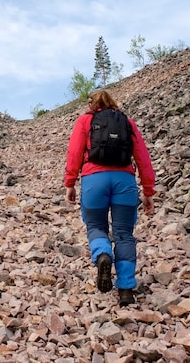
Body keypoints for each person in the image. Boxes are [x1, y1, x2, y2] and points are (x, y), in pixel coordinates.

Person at [64, 89, 156, 306]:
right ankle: (125, 289)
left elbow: (74, 153)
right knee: (124, 233)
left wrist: (70, 183)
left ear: (92, 103)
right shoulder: (127, 122)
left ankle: (103, 254)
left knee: (96, 226)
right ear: (113, 103)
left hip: (94, 180)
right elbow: (142, 157)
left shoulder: (86, 121)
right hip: (124, 181)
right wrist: (148, 190)